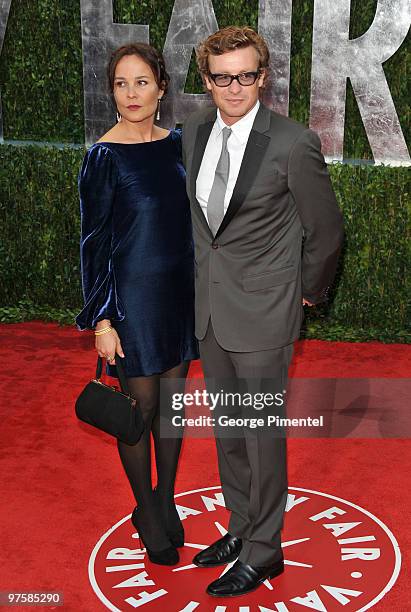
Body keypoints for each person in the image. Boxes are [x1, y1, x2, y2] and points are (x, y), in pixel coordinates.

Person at [182, 26, 344, 596]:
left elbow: (326, 229)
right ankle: (242, 526)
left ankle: (266, 549)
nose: (234, 87)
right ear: (206, 80)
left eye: (246, 75)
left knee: (260, 435)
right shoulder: (194, 133)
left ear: (264, 75)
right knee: (229, 432)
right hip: (210, 310)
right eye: (222, 76)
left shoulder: (292, 142)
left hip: (266, 312)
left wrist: (305, 293)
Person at [75, 43, 198, 566]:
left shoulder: (176, 145)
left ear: (162, 87)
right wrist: (101, 318)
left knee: (172, 407)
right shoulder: (104, 155)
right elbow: (93, 242)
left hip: (179, 295)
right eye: (121, 83)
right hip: (131, 302)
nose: (130, 93)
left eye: (141, 82)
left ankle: (165, 497)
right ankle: (145, 508)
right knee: (140, 410)